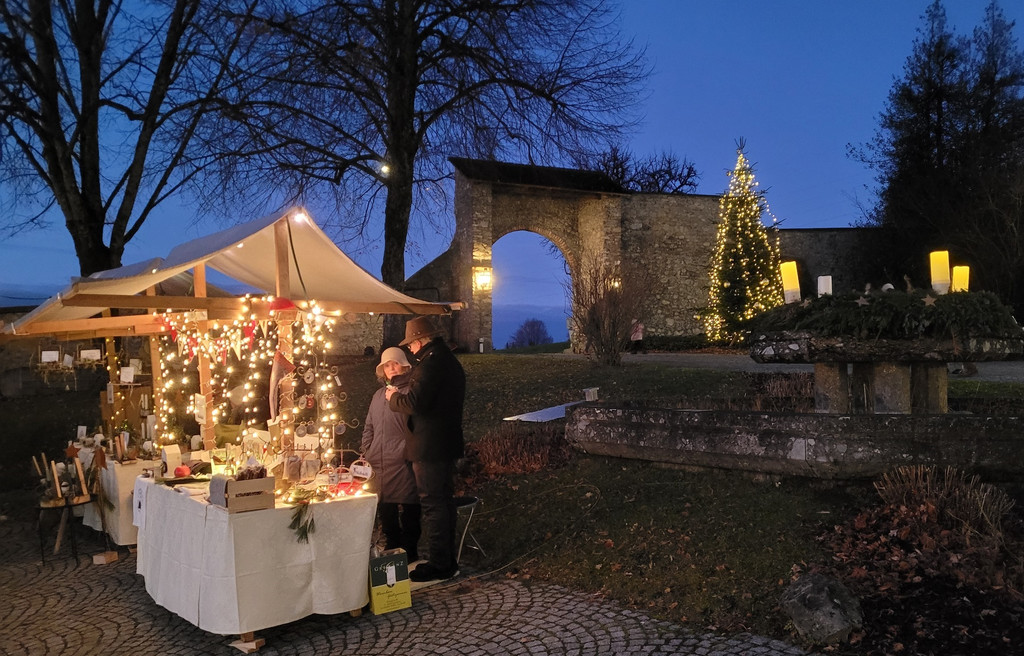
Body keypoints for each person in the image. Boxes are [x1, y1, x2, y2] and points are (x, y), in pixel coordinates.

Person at [386, 316, 466, 582]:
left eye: (411, 344)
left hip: (431, 447)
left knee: (434, 504)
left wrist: (393, 398)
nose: (411, 350)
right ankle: (445, 561)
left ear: (419, 340)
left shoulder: (432, 364)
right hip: (442, 444)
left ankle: (440, 564)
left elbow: (414, 403)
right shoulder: (447, 361)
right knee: (443, 503)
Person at [361, 347, 421, 561]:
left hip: (403, 461)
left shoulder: (410, 392)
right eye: (387, 365)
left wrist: (406, 450)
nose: (392, 368)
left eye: (395, 363)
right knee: (386, 511)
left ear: (404, 365)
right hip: (379, 462)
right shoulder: (378, 396)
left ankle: (410, 554)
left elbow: (417, 425)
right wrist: (368, 449)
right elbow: (369, 426)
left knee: (410, 508)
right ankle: (392, 554)